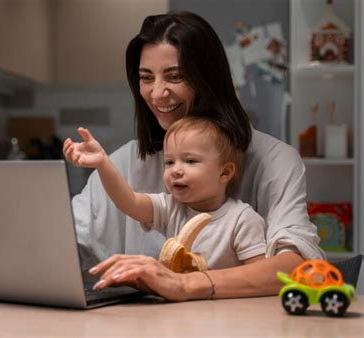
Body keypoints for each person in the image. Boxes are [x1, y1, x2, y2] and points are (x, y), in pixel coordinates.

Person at [69, 11, 324, 301]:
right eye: (146, 78)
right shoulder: (122, 162)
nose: (157, 93)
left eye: (175, 76)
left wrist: (183, 284)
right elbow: (65, 240)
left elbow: (296, 266)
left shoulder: (275, 161)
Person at [64, 117, 266, 274]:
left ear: (224, 173)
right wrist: (102, 163)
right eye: (170, 162)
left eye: (190, 161)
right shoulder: (171, 208)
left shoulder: (242, 220)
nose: (176, 170)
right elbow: (128, 201)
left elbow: (257, 275)